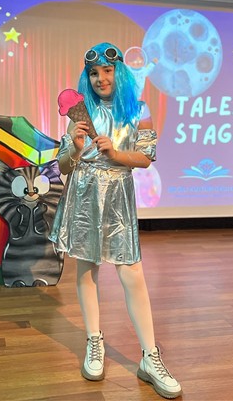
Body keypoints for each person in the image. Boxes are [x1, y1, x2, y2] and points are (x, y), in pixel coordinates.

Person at [49, 42, 182, 399]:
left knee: (131, 273)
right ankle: (94, 341)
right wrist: (75, 147)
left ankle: (150, 356)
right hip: (84, 194)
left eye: (107, 70)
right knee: (86, 268)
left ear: (119, 71)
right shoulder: (82, 112)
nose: (100, 78)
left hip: (118, 195)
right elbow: (64, 166)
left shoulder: (138, 109)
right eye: (94, 73)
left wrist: (117, 153)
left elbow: (146, 157)